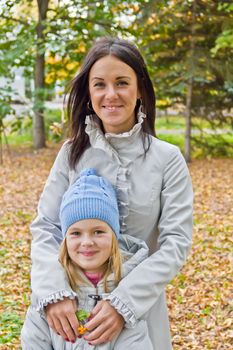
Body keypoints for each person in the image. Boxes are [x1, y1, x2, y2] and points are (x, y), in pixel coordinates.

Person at [21, 37, 193, 350]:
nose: (110, 94)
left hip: (139, 312)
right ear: (88, 92)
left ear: (139, 88)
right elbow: (46, 227)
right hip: (71, 312)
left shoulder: (167, 159)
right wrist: (54, 293)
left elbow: (175, 243)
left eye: (122, 82)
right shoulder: (71, 154)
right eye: (99, 84)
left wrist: (122, 304)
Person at [21, 168, 153, 349]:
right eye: (76, 233)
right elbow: (34, 339)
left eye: (98, 232)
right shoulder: (49, 291)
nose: (87, 242)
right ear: (65, 238)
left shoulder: (127, 290)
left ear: (114, 235)